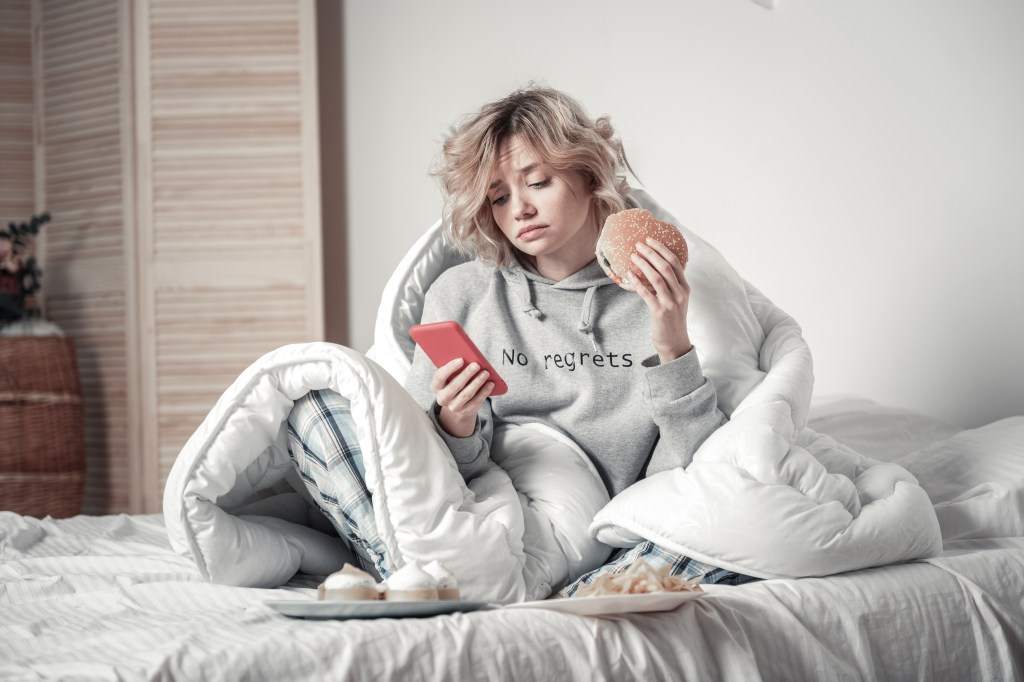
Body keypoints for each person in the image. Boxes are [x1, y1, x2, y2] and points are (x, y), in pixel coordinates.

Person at [288, 85, 753, 592]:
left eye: (538, 183)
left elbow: (686, 474)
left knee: (745, 524)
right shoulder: (462, 293)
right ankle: (442, 577)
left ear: (589, 175)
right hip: (479, 506)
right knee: (312, 404)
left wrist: (671, 345)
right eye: (500, 196)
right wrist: (456, 422)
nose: (520, 210)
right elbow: (420, 474)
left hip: (591, 529)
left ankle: (493, 589)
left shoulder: (655, 291)